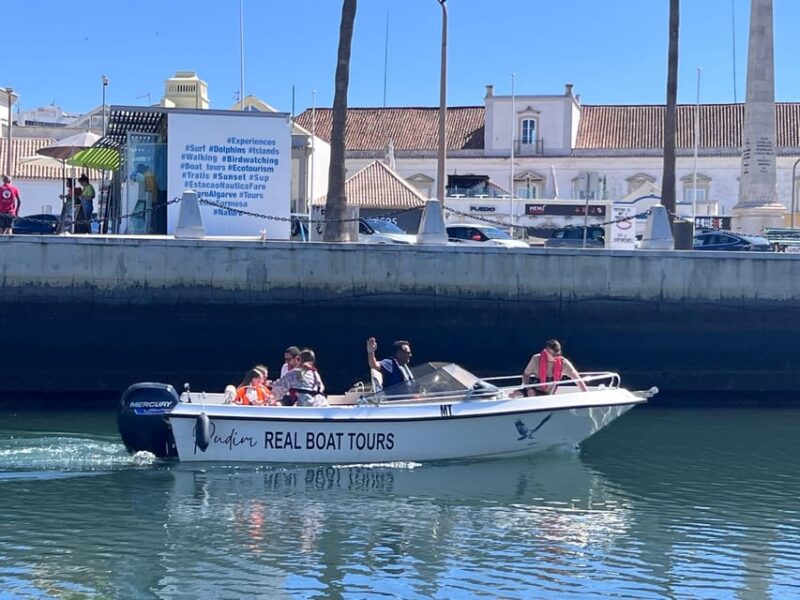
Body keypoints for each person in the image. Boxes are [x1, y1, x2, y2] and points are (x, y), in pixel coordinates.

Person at [521, 339, 588, 396]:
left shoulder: (563, 363)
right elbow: (526, 375)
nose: (556, 357)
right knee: (514, 395)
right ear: (546, 352)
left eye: (558, 354)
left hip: (548, 395)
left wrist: (586, 395)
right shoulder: (536, 359)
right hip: (533, 391)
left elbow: (577, 379)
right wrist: (528, 389)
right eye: (553, 355)